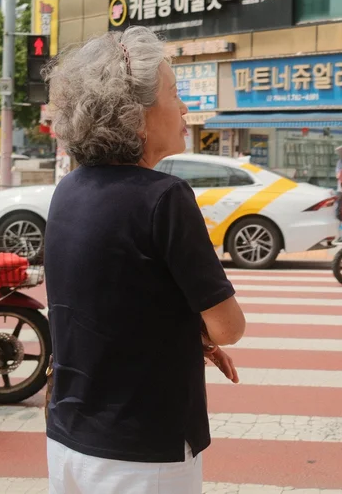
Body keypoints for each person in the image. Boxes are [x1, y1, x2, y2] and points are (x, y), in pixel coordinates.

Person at [44, 27, 246, 494]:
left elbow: (107, 304)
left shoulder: (68, 190)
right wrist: (201, 331)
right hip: (143, 447)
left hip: (69, 437)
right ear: (136, 116)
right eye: (175, 94)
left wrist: (185, 331)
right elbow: (229, 327)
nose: (184, 108)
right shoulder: (165, 197)